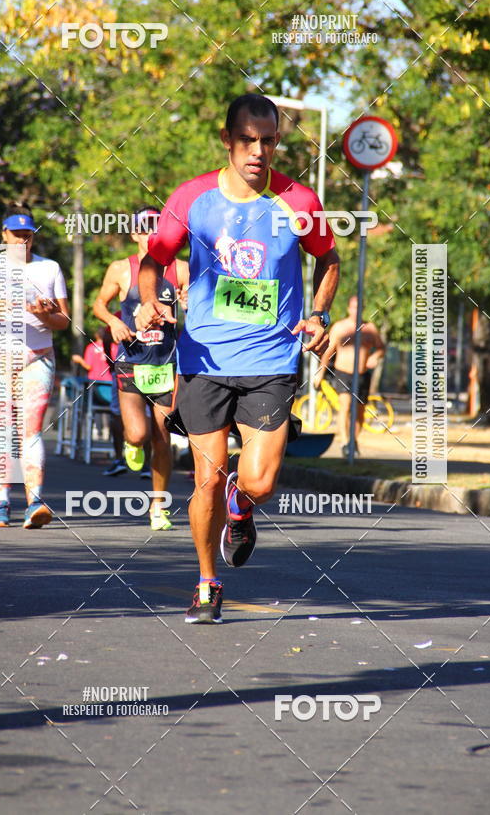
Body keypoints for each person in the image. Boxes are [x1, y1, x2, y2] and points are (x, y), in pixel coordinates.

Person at [137, 93, 340, 624]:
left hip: (271, 358)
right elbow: (155, 258)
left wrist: (317, 316)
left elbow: (329, 261)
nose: (258, 151)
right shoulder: (192, 197)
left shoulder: (299, 202)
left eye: (268, 140)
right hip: (204, 358)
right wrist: (148, 303)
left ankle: (242, 505)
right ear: (227, 140)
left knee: (261, 481)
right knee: (205, 478)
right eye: (248, 140)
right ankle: (207, 583)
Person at [93, 207, 189, 530]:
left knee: (162, 438)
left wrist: (188, 300)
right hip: (131, 363)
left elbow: (199, 302)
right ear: (134, 234)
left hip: (166, 364)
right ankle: (131, 443)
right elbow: (98, 305)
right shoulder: (122, 269)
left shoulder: (181, 269)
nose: (151, 234)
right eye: (144, 229)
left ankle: (158, 508)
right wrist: (114, 322)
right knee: (139, 433)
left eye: (156, 228)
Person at [0, 210, 70, 528]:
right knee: (2, 428)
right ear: (4, 235)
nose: (22, 240)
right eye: (16, 235)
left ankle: (35, 503)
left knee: (30, 430)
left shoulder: (50, 268)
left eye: (27, 234)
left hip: (37, 356)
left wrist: (44, 315)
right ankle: (1, 503)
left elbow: (64, 320)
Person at [314, 295, 385, 457]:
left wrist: (376, 356)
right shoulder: (340, 328)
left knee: (359, 412)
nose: (356, 310)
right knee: (345, 407)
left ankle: (353, 441)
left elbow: (381, 347)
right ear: (348, 308)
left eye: (359, 307)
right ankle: (345, 443)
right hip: (343, 373)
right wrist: (320, 372)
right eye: (353, 307)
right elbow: (328, 352)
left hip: (362, 375)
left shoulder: (370, 328)